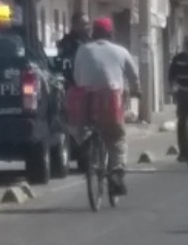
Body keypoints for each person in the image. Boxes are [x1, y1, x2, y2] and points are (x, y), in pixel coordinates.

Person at [73, 17, 140, 196]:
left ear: (93, 33)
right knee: (117, 138)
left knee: (82, 128)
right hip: (111, 102)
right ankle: (116, 173)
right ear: (111, 34)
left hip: (86, 101)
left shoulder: (82, 49)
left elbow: (77, 76)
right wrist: (136, 91)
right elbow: (134, 77)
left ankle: (86, 149)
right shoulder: (120, 51)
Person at [57, 12, 91, 86]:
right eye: (84, 24)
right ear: (75, 25)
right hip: (73, 82)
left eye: (88, 24)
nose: (87, 27)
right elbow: (66, 62)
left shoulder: (89, 40)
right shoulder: (67, 41)